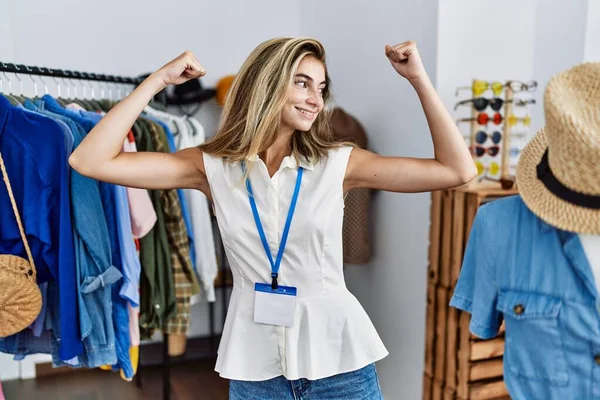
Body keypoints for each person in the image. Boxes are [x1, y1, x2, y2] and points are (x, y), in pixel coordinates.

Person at [69, 37, 476, 399]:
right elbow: (88, 160)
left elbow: (457, 170)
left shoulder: (339, 164)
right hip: (255, 368)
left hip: (339, 366)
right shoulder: (211, 167)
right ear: (266, 84)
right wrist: (157, 81)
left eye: (321, 88)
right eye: (302, 82)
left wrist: (418, 78)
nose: (316, 98)